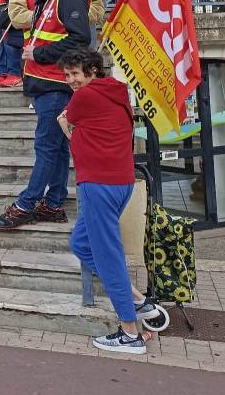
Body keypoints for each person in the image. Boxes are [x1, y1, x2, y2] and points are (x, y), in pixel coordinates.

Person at [59, 49, 163, 354]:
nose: (71, 80)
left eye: (75, 73)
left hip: (98, 184)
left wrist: (64, 122)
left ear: (92, 71)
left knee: (109, 257)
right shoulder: (117, 92)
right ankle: (138, 300)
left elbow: (67, 124)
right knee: (81, 244)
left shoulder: (84, 97)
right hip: (121, 182)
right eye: (67, 75)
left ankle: (129, 333)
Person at [0, 0, 89, 229]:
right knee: (57, 148)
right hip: (46, 82)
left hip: (55, 83)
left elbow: (81, 38)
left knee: (46, 146)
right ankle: (54, 203)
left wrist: (39, 54)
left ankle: (26, 205)